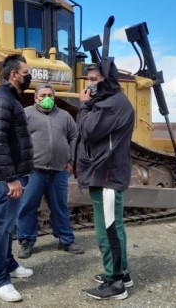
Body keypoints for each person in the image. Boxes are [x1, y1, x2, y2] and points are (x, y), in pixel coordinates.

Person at [75, 59, 135, 300]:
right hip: (104, 172)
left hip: (107, 174)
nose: (89, 85)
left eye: (93, 80)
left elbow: (87, 130)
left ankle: (115, 283)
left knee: (107, 229)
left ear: (106, 80)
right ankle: (122, 272)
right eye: (88, 79)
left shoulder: (112, 104)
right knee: (113, 226)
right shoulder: (110, 102)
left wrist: (83, 106)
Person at [0, 54, 35, 302]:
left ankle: (10, 265)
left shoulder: (11, 98)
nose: (29, 76)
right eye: (26, 72)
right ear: (14, 74)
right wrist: (12, 178)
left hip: (14, 174)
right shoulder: (2, 99)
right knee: (2, 229)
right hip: (7, 178)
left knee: (9, 226)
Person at [17, 83, 83, 258]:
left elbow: (74, 136)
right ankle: (26, 241)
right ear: (35, 98)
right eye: (42, 95)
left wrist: (71, 160)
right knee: (28, 206)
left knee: (60, 206)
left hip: (59, 171)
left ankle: (66, 240)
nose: (47, 98)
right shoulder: (26, 114)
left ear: (55, 97)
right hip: (34, 171)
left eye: (50, 95)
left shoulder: (64, 115)